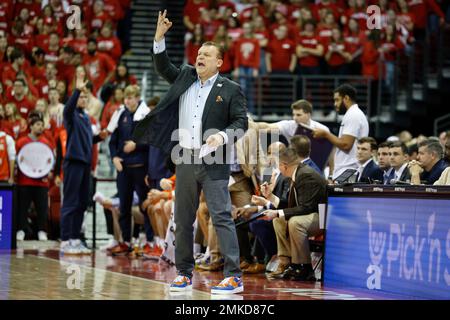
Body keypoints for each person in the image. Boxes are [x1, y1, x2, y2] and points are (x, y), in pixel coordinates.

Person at [133, 10, 247, 294]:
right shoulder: (184, 76)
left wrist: (221, 136)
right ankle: (183, 272)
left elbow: (241, 123)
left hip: (214, 158)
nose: (200, 57)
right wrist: (159, 38)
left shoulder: (230, 89)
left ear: (219, 62)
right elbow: (163, 67)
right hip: (184, 156)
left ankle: (233, 275)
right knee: (183, 219)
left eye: (207, 54)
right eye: (199, 53)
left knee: (221, 216)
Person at [262, 147, 327, 281]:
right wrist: (270, 197)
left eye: (278, 165)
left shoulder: (305, 174)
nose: (278, 169)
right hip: (310, 213)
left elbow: (306, 207)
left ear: (284, 165)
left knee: (295, 222)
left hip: (322, 217)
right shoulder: (295, 174)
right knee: (279, 220)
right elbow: (292, 206)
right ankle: (286, 262)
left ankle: (304, 267)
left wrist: (278, 212)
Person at [60, 74, 107, 255]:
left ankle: (74, 238)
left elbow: (86, 139)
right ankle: (65, 240)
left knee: (81, 203)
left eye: (86, 97)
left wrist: (97, 138)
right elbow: (67, 108)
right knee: (70, 202)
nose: (83, 99)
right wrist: (77, 89)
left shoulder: (86, 118)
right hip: (73, 163)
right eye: (81, 96)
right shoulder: (71, 115)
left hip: (85, 164)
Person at [313, 83, 369, 180]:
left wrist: (326, 134)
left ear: (346, 98)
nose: (335, 104)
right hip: (347, 169)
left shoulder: (353, 115)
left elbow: (346, 145)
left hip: (348, 170)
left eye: (337, 100)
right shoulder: (353, 114)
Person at [16, 112, 54, 241]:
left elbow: (50, 160)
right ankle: (20, 230)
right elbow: (17, 160)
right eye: (38, 124)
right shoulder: (21, 142)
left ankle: (42, 231)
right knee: (22, 207)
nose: (40, 127)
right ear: (31, 126)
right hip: (24, 181)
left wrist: (49, 170)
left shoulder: (46, 142)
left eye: (42, 125)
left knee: (42, 208)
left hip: (41, 182)